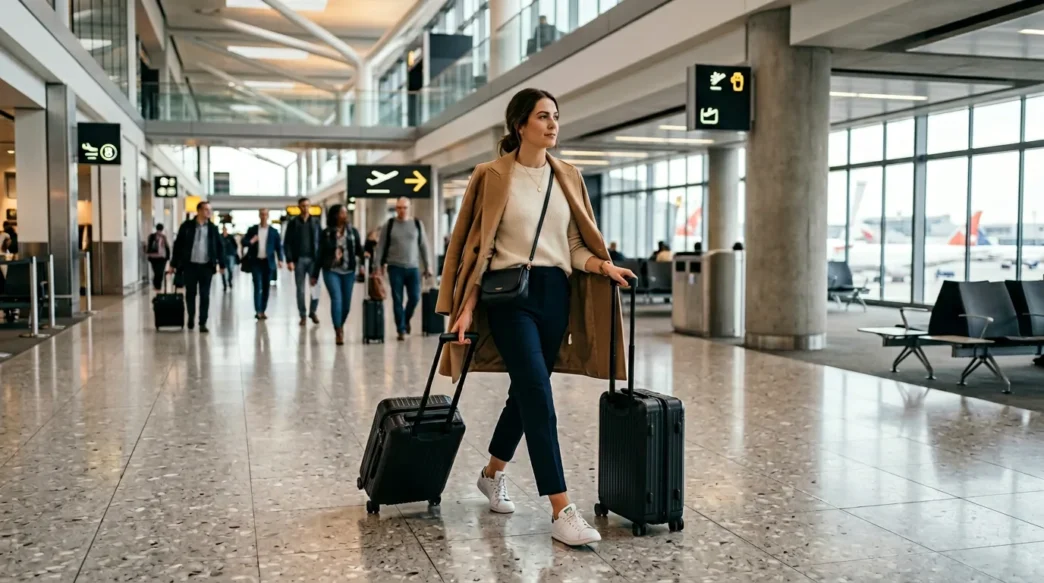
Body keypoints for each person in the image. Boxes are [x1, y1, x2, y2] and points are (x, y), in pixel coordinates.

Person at [436, 88, 635, 547]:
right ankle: (561, 508)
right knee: (539, 396)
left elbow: (574, 244)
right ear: (520, 124)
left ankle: (491, 473)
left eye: (556, 117)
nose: (552, 125)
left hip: (554, 293)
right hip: (508, 295)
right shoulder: (490, 175)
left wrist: (604, 266)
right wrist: (463, 308)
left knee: (525, 393)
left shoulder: (568, 175)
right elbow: (470, 246)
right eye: (543, 116)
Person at [376, 197, 432, 341]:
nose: (402, 210)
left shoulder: (417, 224)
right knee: (397, 299)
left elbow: (424, 246)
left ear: (409, 208)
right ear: (396, 209)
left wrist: (428, 265)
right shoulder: (389, 225)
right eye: (399, 207)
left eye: (405, 207)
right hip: (395, 267)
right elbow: (380, 246)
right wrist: (377, 266)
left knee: (414, 297)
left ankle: (405, 319)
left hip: (413, 268)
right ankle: (400, 329)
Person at [170, 201, 226, 333]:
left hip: (206, 266)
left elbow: (219, 246)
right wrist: (173, 264)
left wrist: (222, 264)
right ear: (199, 211)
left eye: (210, 210)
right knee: (190, 293)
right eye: (206, 209)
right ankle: (191, 316)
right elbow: (178, 245)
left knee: (205, 295)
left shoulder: (212, 228)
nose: (209, 212)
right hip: (190, 265)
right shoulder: (187, 226)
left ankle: (202, 322)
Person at [312, 204, 364, 346]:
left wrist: (364, 265)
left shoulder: (353, 232)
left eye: (346, 213)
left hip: (349, 271)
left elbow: (359, 250)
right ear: (335, 215)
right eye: (342, 213)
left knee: (346, 304)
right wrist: (314, 274)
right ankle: (338, 331)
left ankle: (339, 323)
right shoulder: (327, 233)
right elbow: (320, 254)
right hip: (331, 270)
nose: (345, 215)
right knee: (337, 298)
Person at [284, 197, 322, 326]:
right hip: (299, 260)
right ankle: (303, 314)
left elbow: (321, 242)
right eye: (303, 206)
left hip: (313, 260)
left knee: (315, 287)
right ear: (299, 207)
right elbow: (287, 243)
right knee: (300, 289)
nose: (305, 208)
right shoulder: (293, 223)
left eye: (307, 205)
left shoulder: (316, 223)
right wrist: (289, 260)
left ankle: (313, 311)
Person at [242, 209, 284, 320]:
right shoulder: (253, 230)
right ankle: (258, 311)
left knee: (266, 287)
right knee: (257, 286)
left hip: (268, 262)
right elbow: (244, 242)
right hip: (256, 262)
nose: (264, 216)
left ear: (268, 216)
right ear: (259, 215)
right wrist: (252, 241)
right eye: (262, 214)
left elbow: (278, 247)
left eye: (266, 214)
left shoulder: (274, 232)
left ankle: (263, 310)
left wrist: (280, 259)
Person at [146, 224, 171, 291]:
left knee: (157, 272)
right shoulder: (162, 237)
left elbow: (148, 246)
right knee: (159, 272)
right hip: (161, 257)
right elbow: (167, 246)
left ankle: (157, 285)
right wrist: (168, 256)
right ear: (162, 229)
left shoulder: (151, 236)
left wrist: (148, 255)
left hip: (154, 257)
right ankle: (157, 285)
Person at [220, 226, 238, 291]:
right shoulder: (220, 237)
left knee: (230, 269)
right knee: (222, 271)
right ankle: (224, 284)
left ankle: (229, 281)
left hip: (230, 254)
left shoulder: (230, 237)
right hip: (222, 256)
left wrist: (234, 252)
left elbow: (235, 245)